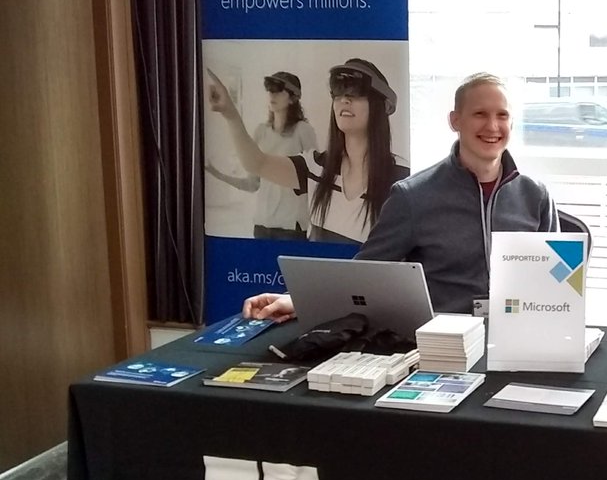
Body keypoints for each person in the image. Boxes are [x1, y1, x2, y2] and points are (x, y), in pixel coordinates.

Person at [242, 72, 558, 320]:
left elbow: (557, 285)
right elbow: (365, 273)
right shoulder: (414, 197)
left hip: (518, 339)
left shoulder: (536, 196)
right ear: (455, 121)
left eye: (502, 115)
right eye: (479, 114)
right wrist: (298, 299)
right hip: (443, 347)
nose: (493, 126)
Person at [207, 58, 410, 244]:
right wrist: (230, 114)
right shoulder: (315, 168)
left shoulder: (403, 179)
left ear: (381, 105)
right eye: (337, 94)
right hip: (317, 283)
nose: (343, 101)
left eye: (355, 93)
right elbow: (257, 163)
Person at [205, 71, 318, 240]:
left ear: (293, 98)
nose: (272, 94)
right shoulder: (261, 132)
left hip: (290, 229)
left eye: (278, 89)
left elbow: (315, 180)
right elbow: (252, 184)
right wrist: (218, 174)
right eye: (270, 89)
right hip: (261, 227)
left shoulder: (303, 130)